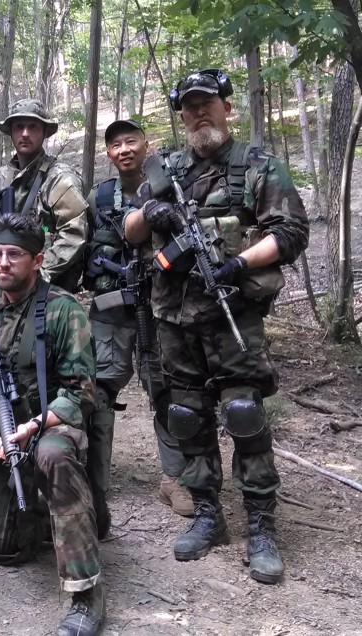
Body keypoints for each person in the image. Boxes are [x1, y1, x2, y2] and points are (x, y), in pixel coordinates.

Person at [124, 68, 309, 584]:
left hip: (233, 312)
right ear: (181, 116)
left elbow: (291, 232)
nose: (199, 112)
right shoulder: (166, 168)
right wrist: (152, 210)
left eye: (207, 102)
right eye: (189, 106)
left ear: (226, 107)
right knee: (186, 415)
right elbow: (130, 230)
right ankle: (208, 513)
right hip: (174, 316)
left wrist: (239, 262)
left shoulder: (257, 165)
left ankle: (261, 526)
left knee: (244, 414)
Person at [0, 213, 103, 635]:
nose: (2, 263)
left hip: (50, 426)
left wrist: (33, 426)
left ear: (37, 260)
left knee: (53, 455)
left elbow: (81, 393)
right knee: (6, 550)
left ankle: (86, 593)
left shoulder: (63, 310)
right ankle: (51, 514)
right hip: (5, 437)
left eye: (14, 254)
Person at [82, 119, 192, 538]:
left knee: (164, 387)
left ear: (146, 145)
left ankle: (174, 478)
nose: (124, 149)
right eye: (115, 144)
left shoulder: (170, 187)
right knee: (101, 389)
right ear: (108, 153)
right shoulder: (99, 197)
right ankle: (94, 478)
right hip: (111, 308)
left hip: (160, 307)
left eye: (131, 141)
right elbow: (80, 244)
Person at [0, 99, 89, 292]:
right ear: (11, 132)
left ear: (45, 132)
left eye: (32, 127)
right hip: (6, 287)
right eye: (19, 127)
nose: (25, 133)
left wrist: (34, 272)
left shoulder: (60, 178)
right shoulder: (3, 176)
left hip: (50, 291)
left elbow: (74, 234)